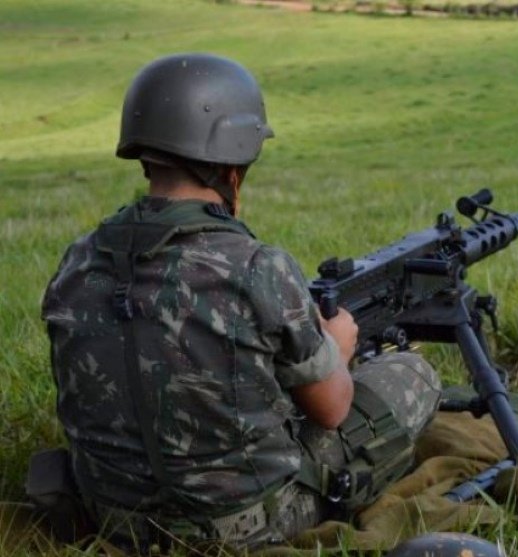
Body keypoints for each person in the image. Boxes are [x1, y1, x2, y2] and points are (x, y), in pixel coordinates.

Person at [41, 52, 441, 551]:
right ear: (233, 166)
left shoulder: (78, 260)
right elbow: (332, 409)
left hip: (112, 517)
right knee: (413, 374)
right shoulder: (256, 267)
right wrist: (337, 347)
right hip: (245, 526)